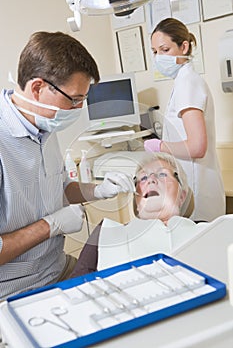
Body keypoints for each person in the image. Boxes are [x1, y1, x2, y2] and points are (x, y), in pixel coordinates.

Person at [0, 31, 135, 300]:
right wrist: (50, 226)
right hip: (13, 291)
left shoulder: (44, 124)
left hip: (56, 269)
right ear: (38, 88)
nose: (78, 109)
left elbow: (60, 186)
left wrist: (97, 190)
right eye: (73, 99)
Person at [144, 18, 225, 222]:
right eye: (155, 52)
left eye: (165, 49)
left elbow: (197, 147)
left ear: (184, 46)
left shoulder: (187, 83)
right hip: (192, 188)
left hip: (198, 194)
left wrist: (160, 146)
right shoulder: (183, 81)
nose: (159, 58)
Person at [70, 152, 199, 276]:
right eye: (143, 178)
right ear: (137, 202)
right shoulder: (106, 232)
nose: (151, 180)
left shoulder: (203, 231)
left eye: (162, 175)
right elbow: (77, 287)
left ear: (182, 196)